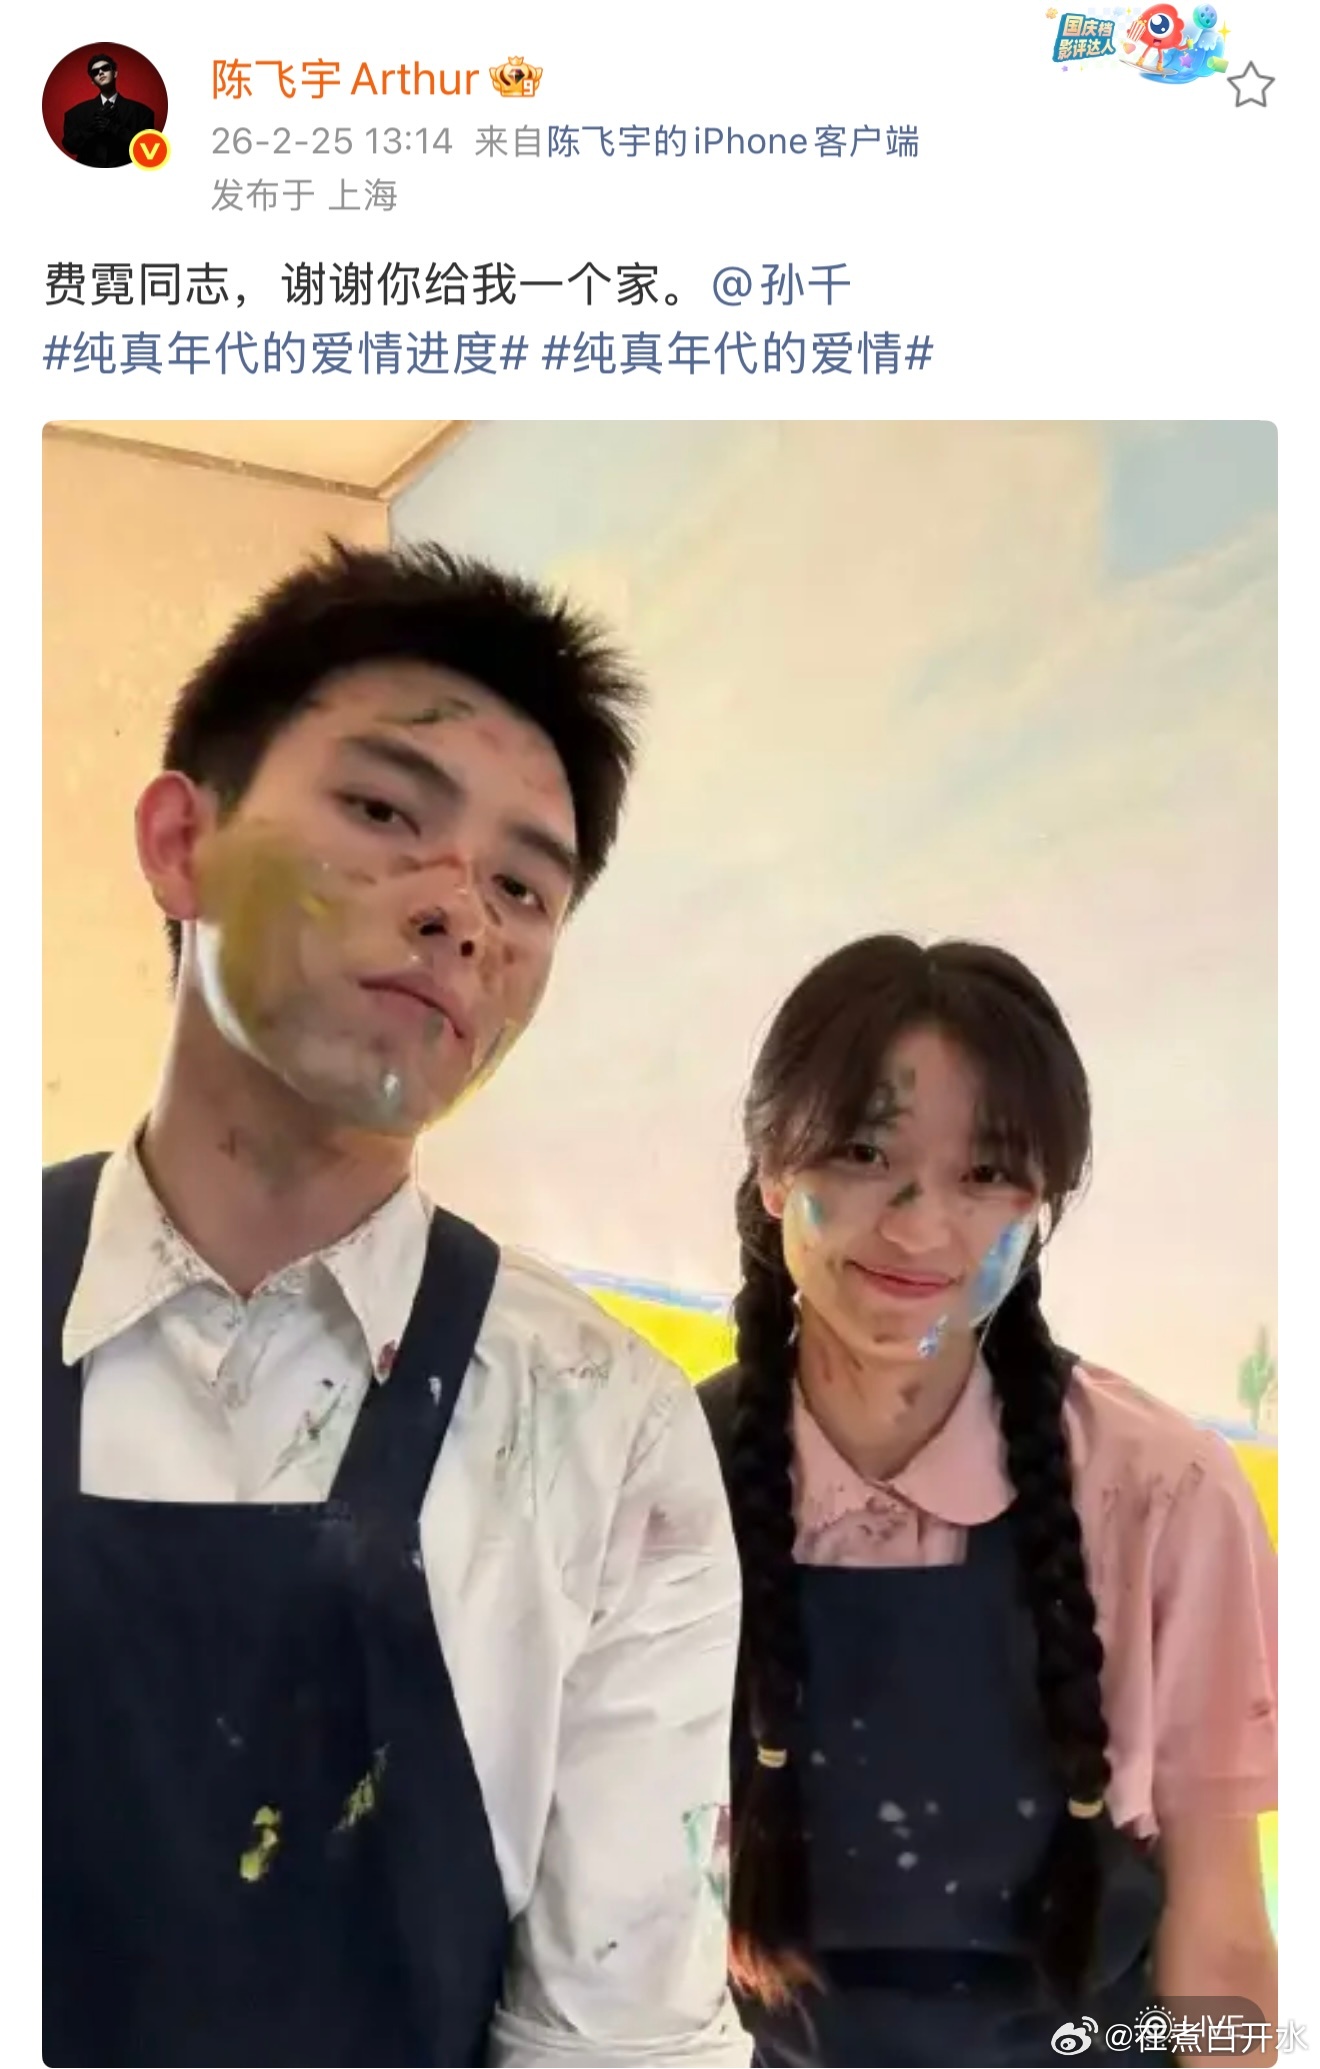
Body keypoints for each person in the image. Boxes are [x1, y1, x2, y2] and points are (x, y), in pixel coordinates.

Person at [44, 542, 749, 2068]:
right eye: (383, 813)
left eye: (522, 886)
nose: (460, 913)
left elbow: (618, 2033)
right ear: (180, 840)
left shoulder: (605, 1433)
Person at [699, 936, 1277, 2068]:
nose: (922, 1228)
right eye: (864, 1152)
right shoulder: (663, 1477)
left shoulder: (1164, 1491)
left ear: (1042, 1202)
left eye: (986, 1174)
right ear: (772, 1167)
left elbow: (1222, 1947)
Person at [61, 52, 156, 167]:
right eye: (95, 72)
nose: (100, 72)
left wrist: (114, 128)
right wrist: (91, 127)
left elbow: (148, 150)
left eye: (105, 68)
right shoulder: (75, 113)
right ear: (93, 81)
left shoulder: (143, 113)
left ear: (115, 73)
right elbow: (70, 147)